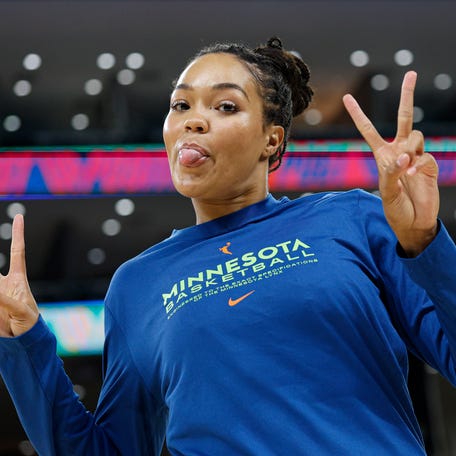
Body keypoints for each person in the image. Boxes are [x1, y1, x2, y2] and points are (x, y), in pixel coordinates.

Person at [0, 36, 455, 455]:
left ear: (271, 139)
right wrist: (24, 342)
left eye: (225, 106)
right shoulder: (137, 285)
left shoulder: (352, 218)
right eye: (181, 105)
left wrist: (426, 242)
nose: (193, 120)